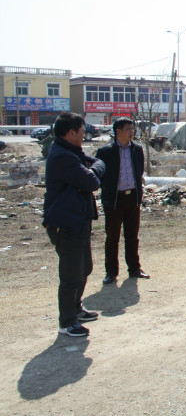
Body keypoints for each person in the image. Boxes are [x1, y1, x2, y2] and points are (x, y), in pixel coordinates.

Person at [43, 112, 106, 337]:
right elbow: (93, 181)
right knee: (71, 275)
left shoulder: (72, 152)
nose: (83, 134)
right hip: (66, 223)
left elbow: (98, 163)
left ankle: (76, 308)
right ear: (70, 133)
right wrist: (90, 176)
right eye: (81, 131)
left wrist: (90, 173)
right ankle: (67, 322)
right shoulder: (62, 156)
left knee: (84, 268)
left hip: (79, 219)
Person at [95, 117, 149, 284]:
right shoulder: (105, 151)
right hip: (114, 200)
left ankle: (134, 269)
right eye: (128, 129)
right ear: (118, 131)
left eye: (132, 128)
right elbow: (100, 175)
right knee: (112, 238)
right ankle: (111, 273)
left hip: (132, 197)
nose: (132, 132)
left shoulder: (137, 149)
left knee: (132, 236)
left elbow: (139, 171)